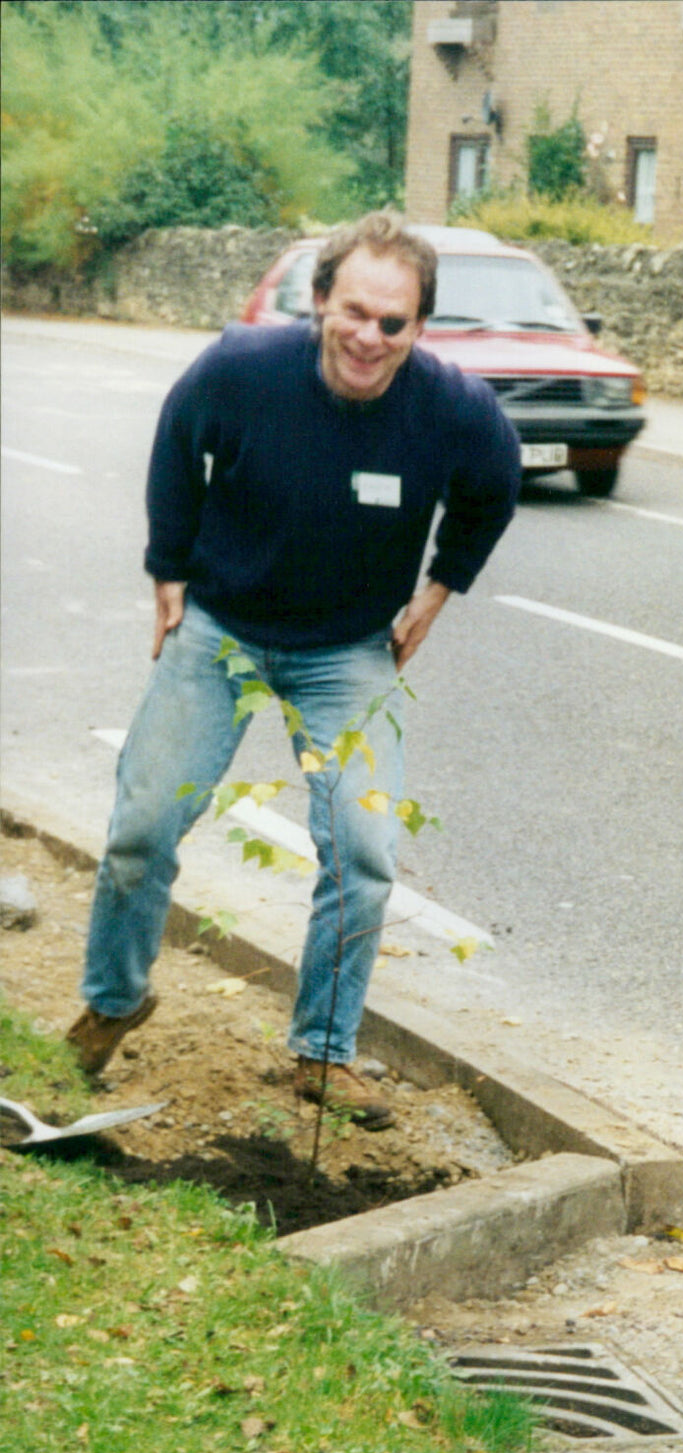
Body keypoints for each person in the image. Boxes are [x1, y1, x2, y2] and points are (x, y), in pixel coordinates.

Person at [67, 210, 520, 1127]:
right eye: (354, 312)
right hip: (222, 632)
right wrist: (168, 567)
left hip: (347, 649)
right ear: (319, 302)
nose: (370, 337)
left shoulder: (451, 410)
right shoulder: (241, 369)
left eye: (394, 324)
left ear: (419, 328)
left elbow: (495, 485)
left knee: (363, 851)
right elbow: (176, 443)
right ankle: (113, 1002)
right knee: (142, 828)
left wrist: (439, 590)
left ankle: (322, 1050)